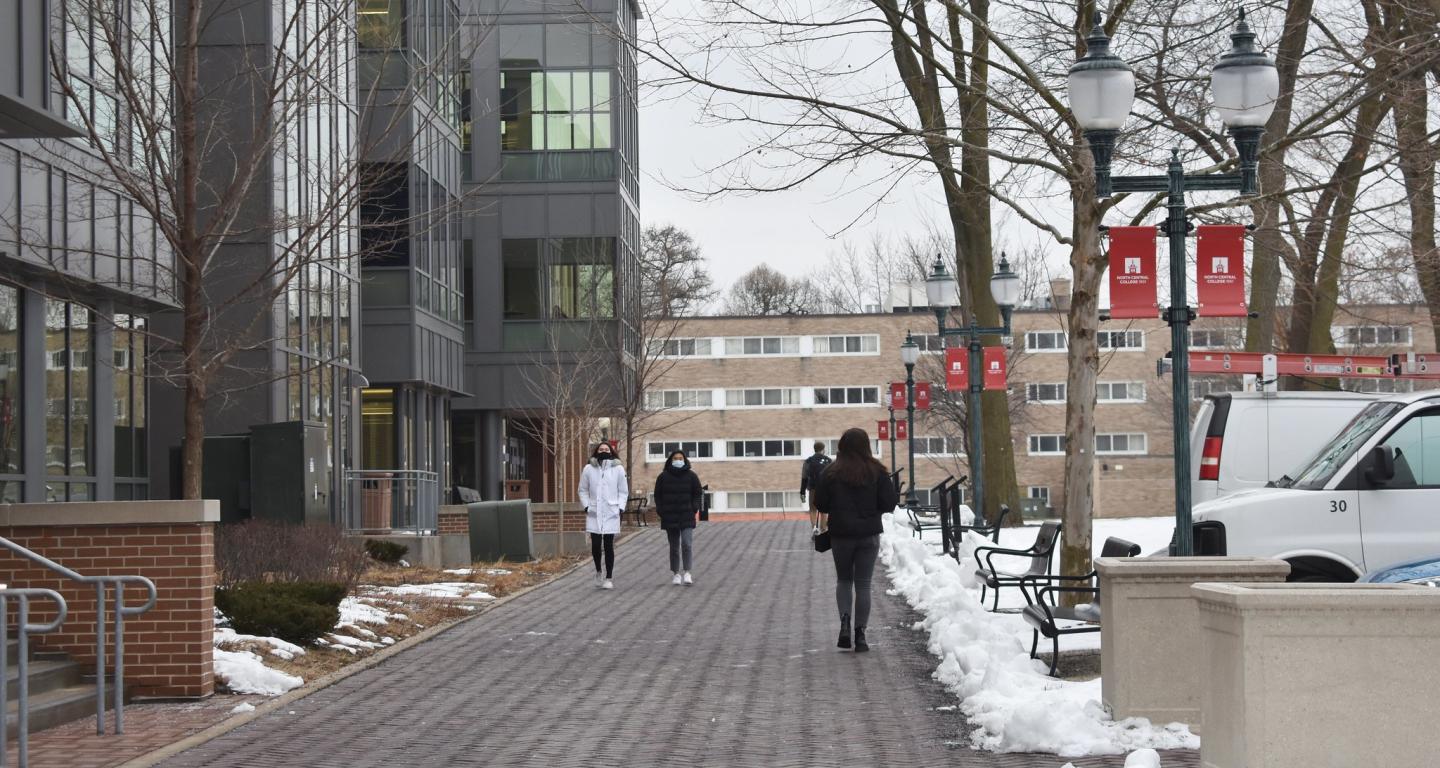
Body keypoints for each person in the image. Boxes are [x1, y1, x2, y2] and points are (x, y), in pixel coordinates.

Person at [813, 427, 899, 652]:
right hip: (868, 535)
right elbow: (889, 503)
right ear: (866, 446)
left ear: (842, 446)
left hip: (841, 535)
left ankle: (844, 622)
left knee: (844, 580)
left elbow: (820, 504)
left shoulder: (832, 472)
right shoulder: (877, 472)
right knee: (863, 584)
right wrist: (871, 510)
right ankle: (860, 634)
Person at [578, 441, 627, 589]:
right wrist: (586, 506)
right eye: (601, 449)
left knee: (609, 545)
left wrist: (620, 507)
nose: (604, 450)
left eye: (606, 449)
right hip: (594, 511)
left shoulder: (618, 468)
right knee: (596, 545)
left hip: (611, 511)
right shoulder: (588, 469)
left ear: (611, 451)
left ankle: (609, 577)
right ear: (596, 451)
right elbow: (582, 490)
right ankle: (599, 570)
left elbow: (623, 491)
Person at [653, 449, 703, 585]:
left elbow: (698, 492)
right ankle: (676, 573)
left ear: (685, 460)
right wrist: (661, 510)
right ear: (671, 460)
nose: (678, 460)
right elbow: (657, 495)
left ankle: (687, 572)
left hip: (687, 515)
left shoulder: (692, 476)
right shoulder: (663, 477)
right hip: (670, 516)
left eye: (680, 458)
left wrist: (694, 507)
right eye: (675, 458)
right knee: (674, 547)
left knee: (687, 544)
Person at [799, 441, 832, 533]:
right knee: (824, 510)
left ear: (815, 449)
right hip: (825, 490)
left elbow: (804, 477)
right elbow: (831, 477)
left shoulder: (808, 461)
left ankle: (814, 528)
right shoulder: (828, 460)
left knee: (813, 509)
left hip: (813, 488)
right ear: (823, 449)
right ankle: (823, 529)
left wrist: (802, 492)